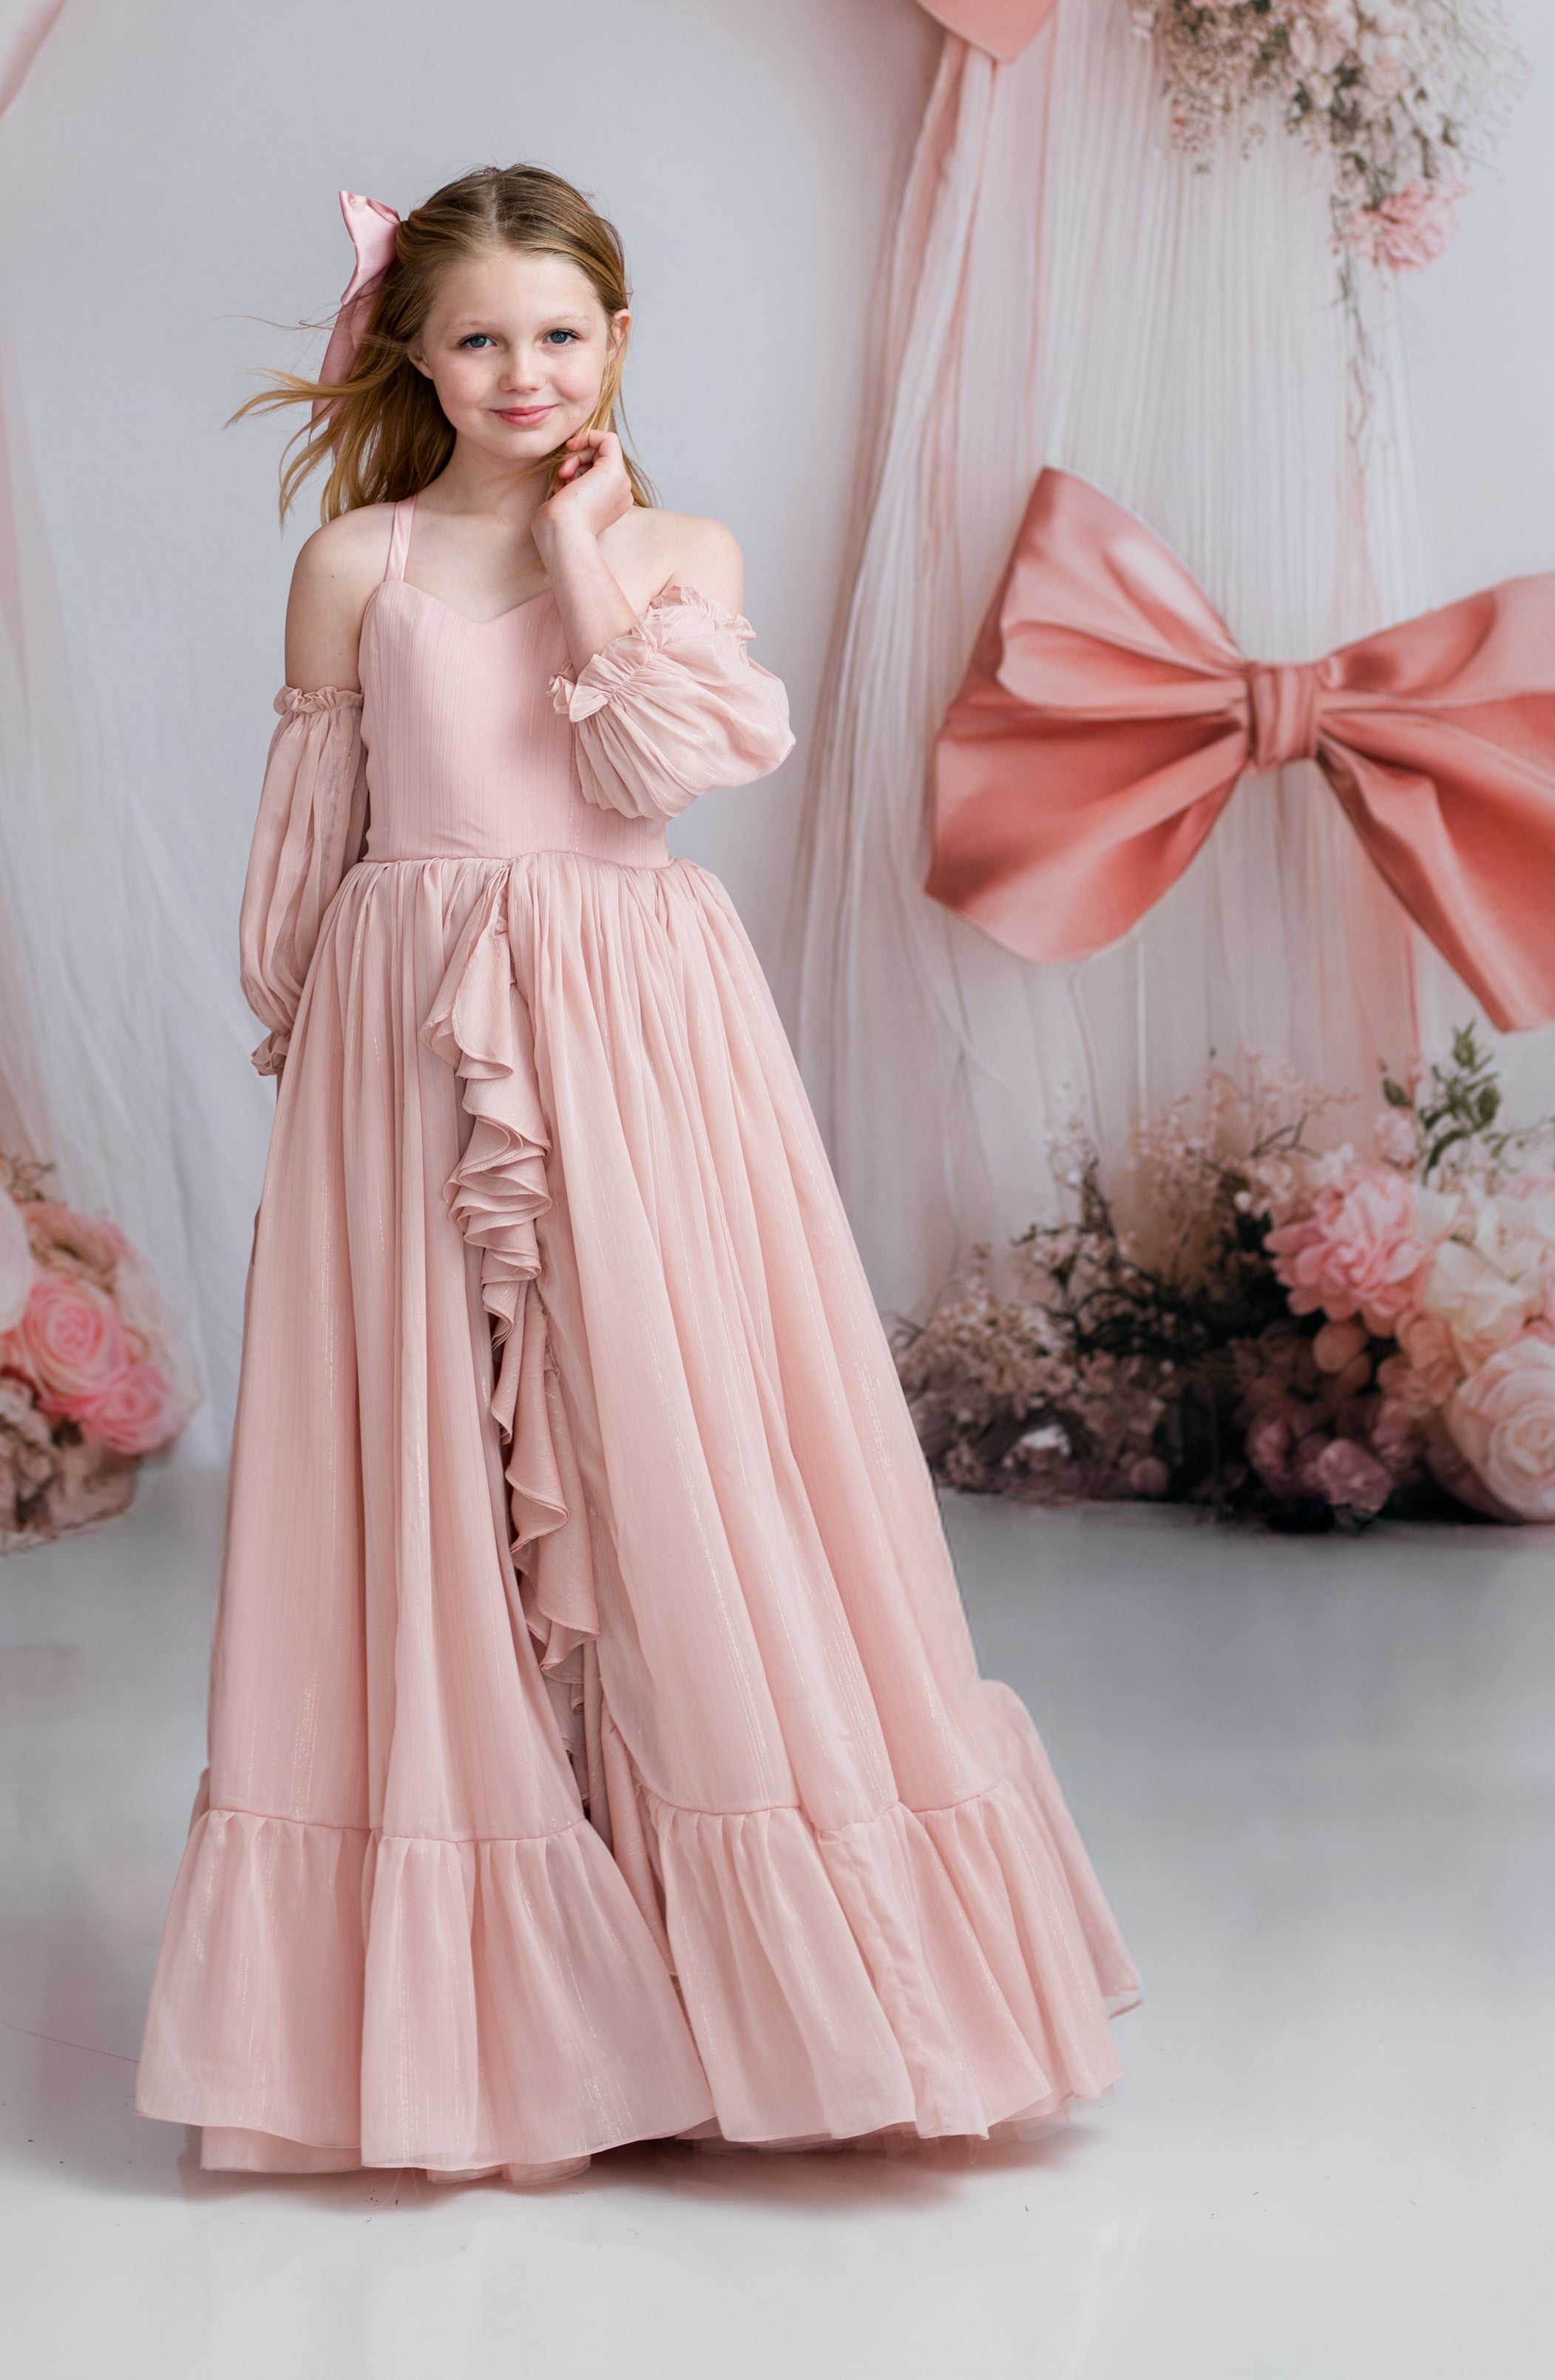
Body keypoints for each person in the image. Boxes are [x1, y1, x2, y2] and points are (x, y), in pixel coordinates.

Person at [138, 165, 1136, 2180]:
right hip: (412, 1050)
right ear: (411, 354)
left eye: (561, 333)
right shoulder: (357, 564)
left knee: (669, 1456)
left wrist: (593, 562)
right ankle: (514, 2019)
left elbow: (654, 775)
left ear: (618, 343)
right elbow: (301, 868)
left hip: (636, 1032)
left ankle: (737, 1979)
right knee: (439, 1487)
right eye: (480, 335)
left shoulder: (677, 548)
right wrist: (333, 1075)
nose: (522, 371)